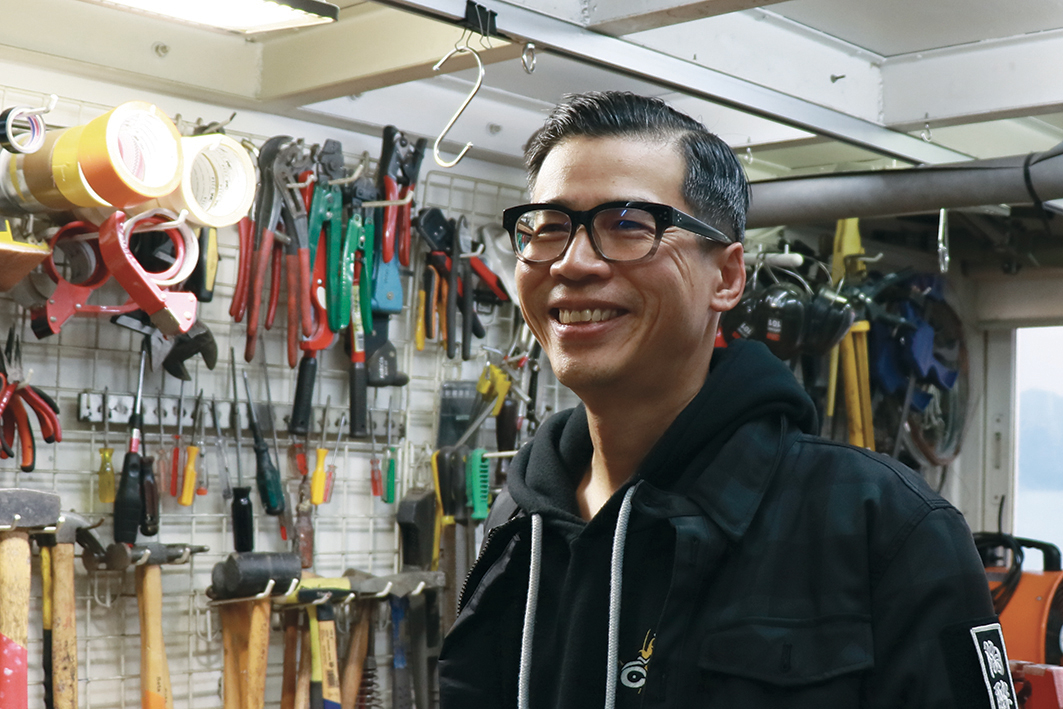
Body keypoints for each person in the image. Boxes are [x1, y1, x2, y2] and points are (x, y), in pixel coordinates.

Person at [438, 91, 1008, 709]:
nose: (571, 265)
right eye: (548, 229)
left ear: (728, 277)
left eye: (627, 225)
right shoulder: (517, 524)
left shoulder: (887, 528)